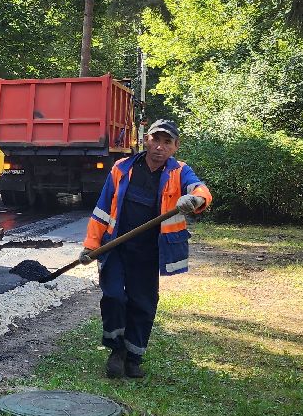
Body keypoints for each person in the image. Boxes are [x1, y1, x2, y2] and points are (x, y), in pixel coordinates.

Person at [81, 118, 212, 380]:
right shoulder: (122, 168)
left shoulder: (179, 172)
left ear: (175, 146)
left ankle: (134, 357)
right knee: (114, 297)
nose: (159, 147)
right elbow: (102, 209)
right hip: (116, 248)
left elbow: (200, 190)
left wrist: (196, 199)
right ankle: (116, 351)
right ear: (145, 140)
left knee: (143, 303)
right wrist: (90, 245)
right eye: (155, 139)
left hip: (149, 252)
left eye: (167, 142)